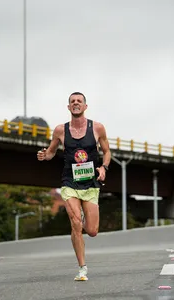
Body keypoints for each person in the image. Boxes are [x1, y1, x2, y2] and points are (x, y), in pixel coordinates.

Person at [37, 92, 111, 281]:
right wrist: (45, 155)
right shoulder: (61, 130)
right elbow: (52, 152)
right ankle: (82, 268)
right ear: (69, 107)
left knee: (92, 231)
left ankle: (83, 217)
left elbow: (107, 151)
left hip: (90, 184)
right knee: (76, 223)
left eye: (79, 101)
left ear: (85, 106)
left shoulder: (97, 128)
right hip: (69, 183)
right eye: (72, 101)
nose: (76, 103)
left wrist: (104, 167)